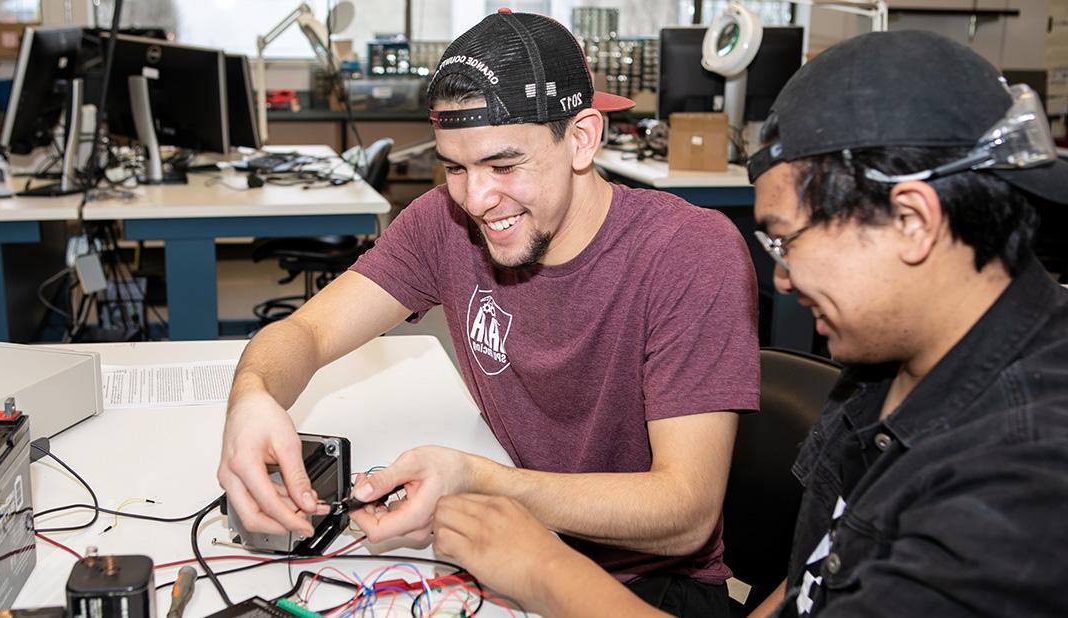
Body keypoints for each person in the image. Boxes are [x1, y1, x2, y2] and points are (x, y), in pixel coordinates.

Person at [429, 30, 1068, 618]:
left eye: (788, 241)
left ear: (912, 221)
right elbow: (817, 578)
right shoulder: (895, 365)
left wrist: (540, 568)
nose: (782, 281)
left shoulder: (1016, 483)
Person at [219, 9, 760, 614]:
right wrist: (253, 394)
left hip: (641, 590)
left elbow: (685, 515)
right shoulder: (441, 224)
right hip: (502, 553)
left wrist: (480, 484)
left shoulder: (689, 253)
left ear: (582, 137)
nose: (477, 199)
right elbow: (310, 330)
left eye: (504, 166)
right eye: (455, 167)